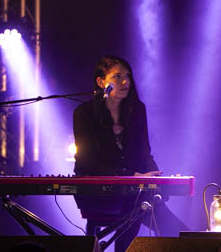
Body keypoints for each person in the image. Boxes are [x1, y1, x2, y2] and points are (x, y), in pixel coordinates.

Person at [73, 55, 185, 252]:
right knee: (140, 207)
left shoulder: (137, 110)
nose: (125, 82)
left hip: (135, 192)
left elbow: (145, 153)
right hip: (99, 193)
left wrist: (156, 178)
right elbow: (87, 163)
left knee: (177, 231)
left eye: (127, 76)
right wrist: (130, 177)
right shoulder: (84, 114)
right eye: (117, 77)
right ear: (101, 82)